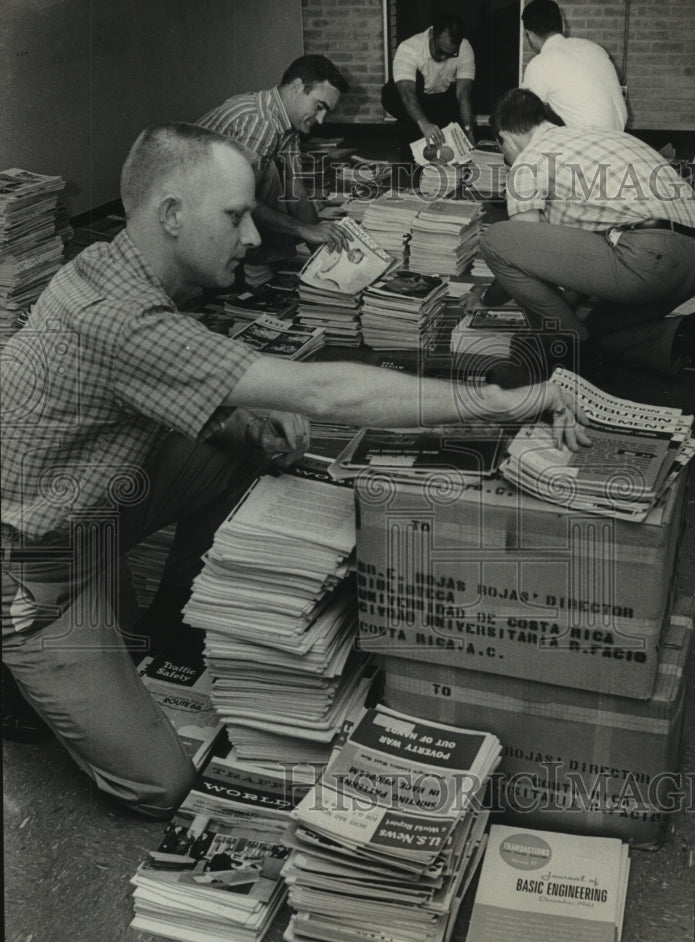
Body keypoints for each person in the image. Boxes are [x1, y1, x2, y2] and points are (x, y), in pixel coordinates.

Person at [0, 122, 587, 818]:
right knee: (161, 786)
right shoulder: (120, 319)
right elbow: (326, 393)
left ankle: (177, 620)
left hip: (85, 506)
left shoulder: (110, 261)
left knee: (246, 441)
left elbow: (142, 386)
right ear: (171, 214)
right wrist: (504, 400)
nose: (253, 237)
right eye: (235, 216)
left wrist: (242, 413)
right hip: (35, 567)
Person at [465, 89, 695, 376]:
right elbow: (577, 264)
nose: (507, 159)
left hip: (646, 255)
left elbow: (519, 253)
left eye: (503, 153)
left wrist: (486, 300)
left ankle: (569, 354)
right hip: (687, 263)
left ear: (505, 138)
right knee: (597, 334)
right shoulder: (599, 137)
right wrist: (565, 315)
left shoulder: (529, 160)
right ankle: (683, 335)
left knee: (496, 239)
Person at [197, 54, 350, 276]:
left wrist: (322, 251)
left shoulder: (285, 123)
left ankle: (260, 269)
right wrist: (305, 230)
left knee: (271, 174)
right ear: (297, 87)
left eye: (327, 112)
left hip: (216, 201)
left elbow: (296, 192)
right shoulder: (261, 122)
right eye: (319, 106)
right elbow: (243, 201)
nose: (321, 119)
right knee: (269, 173)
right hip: (190, 211)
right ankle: (255, 274)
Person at [521, 0, 627, 131]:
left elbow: (524, 122)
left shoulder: (539, 64)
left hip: (591, 141)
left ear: (530, 34)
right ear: (563, 25)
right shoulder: (594, 48)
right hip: (622, 138)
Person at [381, 14, 475, 158]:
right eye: (440, 51)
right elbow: (407, 94)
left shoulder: (465, 47)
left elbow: (464, 94)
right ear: (432, 34)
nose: (443, 58)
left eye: (450, 54)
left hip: (437, 98)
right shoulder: (409, 48)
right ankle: (407, 131)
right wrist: (424, 124)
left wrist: (468, 130)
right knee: (407, 107)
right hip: (406, 95)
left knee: (450, 128)